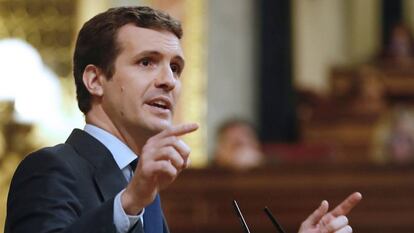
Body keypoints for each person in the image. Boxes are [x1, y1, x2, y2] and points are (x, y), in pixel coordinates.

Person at [5, 6, 362, 233]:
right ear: (95, 80)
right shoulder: (51, 168)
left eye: (175, 67)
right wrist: (129, 203)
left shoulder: (142, 185)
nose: (169, 80)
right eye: (147, 62)